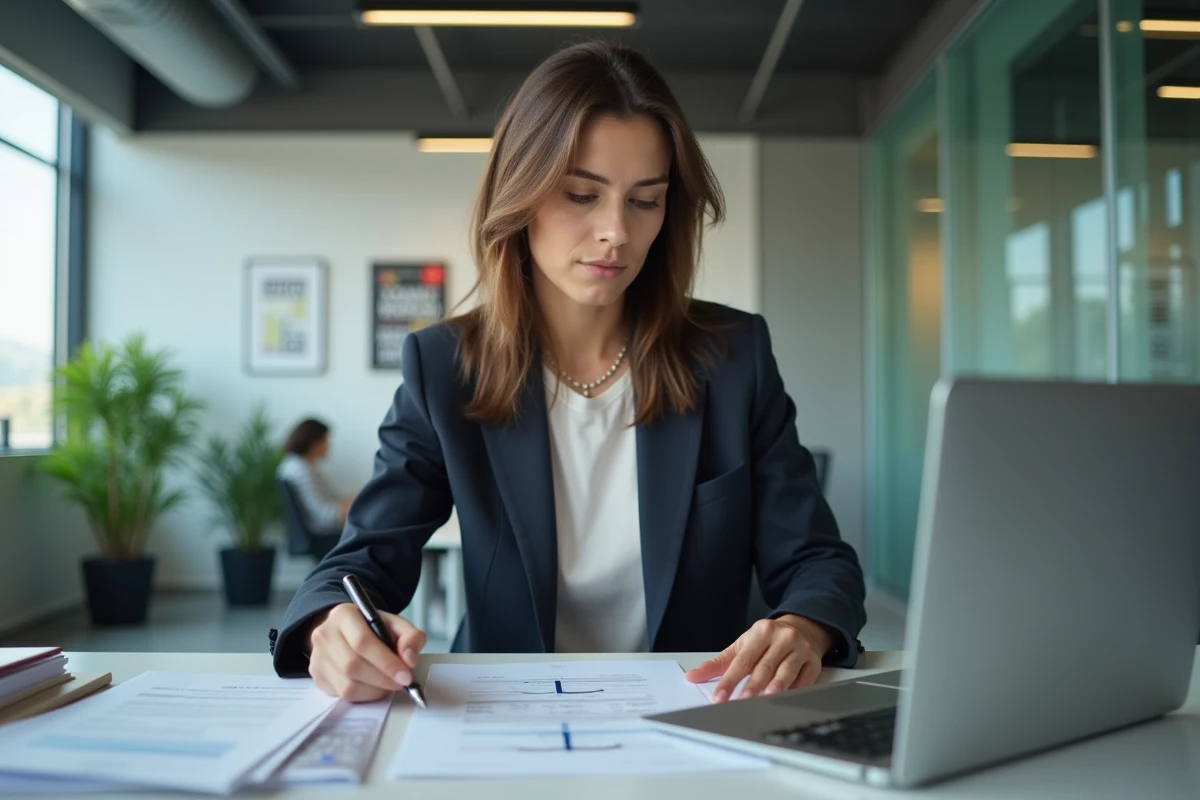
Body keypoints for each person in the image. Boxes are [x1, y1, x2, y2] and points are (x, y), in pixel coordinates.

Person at [272, 41, 866, 706]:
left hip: (697, 712)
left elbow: (818, 560)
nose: (616, 231)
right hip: (507, 717)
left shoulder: (732, 356)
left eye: (645, 201)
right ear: (520, 195)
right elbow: (359, 564)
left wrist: (804, 626)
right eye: (582, 194)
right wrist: (329, 626)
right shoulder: (445, 367)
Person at [277, 418, 354, 534]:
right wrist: (352, 506)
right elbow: (324, 516)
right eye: (325, 441)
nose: (328, 446)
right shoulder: (299, 469)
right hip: (322, 533)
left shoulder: (301, 466)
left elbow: (333, 499)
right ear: (313, 442)